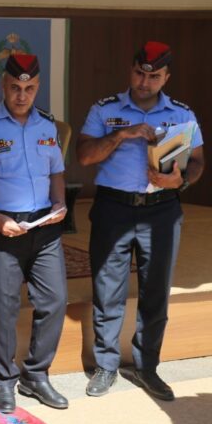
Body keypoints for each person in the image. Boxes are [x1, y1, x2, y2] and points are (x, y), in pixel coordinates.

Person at [77, 41, 204, 401]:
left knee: (155, 291)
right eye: (139, 73)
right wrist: (121, 134)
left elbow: (197, 161)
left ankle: (147, 367)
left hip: (162, 210)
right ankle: (106, 365)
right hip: (113, 208)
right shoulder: (105, 109)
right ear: (131, 70)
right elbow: (84, 156)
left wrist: (181, 180)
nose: (145, 82)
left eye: (154, 76)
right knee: (108, 289)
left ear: (166, 78)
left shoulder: (182, 114)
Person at [0, 54, 68, 413]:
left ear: (38, 87)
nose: (21, 95)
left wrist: (60, 203)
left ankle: (36, 375)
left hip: (44, 227)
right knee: (4, 305)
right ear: (3, 85)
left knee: (55, 300)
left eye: (29, 89)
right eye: (15, 87)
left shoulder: (47, 125)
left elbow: (56, 170)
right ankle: (4, 380)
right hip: (2, 228)